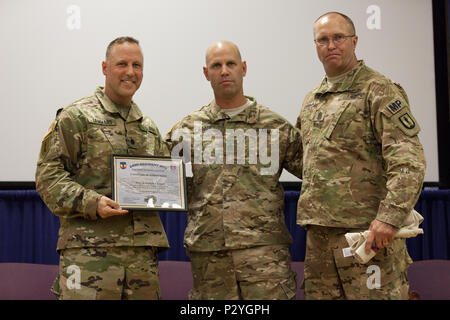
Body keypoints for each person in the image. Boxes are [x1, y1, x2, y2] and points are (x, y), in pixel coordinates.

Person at [295, 12, 426, 299]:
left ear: (354, 41)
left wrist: (390, 218)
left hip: (367, 237)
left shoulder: (378, 90)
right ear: (315, 46)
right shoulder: (312, 99)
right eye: (323, 40)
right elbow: (305, 161)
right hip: (320, 242)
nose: (331, 45)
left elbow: (408, 160)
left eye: (338, 37)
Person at [165, 41, 303, 299]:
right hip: (210, 257)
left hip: (265, 258)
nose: (224, 71)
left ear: (244, 68)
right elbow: (153, 175)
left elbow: (317, 175)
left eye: (231, 64)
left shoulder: (276, 127)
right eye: (216, 65)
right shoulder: (187, 129)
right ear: (206, 73)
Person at [35, 36, 169, 300]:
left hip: (141, 259)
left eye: (137, 65)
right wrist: (91, 202)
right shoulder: (76, 117)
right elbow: (47, 178)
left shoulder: (149, 128)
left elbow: (163, 184)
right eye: (122, 64)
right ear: (105, 68)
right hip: (88, 255)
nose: (130, 72)